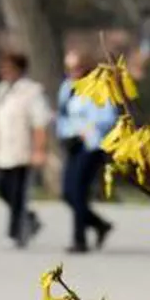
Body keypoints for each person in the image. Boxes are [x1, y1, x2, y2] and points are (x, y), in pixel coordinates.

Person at [0, 51, 52, 249]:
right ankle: (29, 219)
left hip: (23, 150)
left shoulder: (32, 91)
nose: (5, 72)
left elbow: (40, 123)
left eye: (9, 68)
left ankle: (15, 233)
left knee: (18, 194)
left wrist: (39, 150)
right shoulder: (1, 90)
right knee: (2, 188)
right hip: (3, 150)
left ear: (19, 69)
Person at [57, 49, 118, 253]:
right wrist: (65, 133)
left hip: (92, 145)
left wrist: (88, 129)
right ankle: (100, 225)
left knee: (79, 192)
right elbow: (64, 115)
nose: (72, 72)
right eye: (68, 68)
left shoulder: (98, 87)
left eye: (76, 68)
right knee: (67, 193)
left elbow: (108, 117)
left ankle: (79, 240)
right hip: (73, 144)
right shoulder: (67, 87)